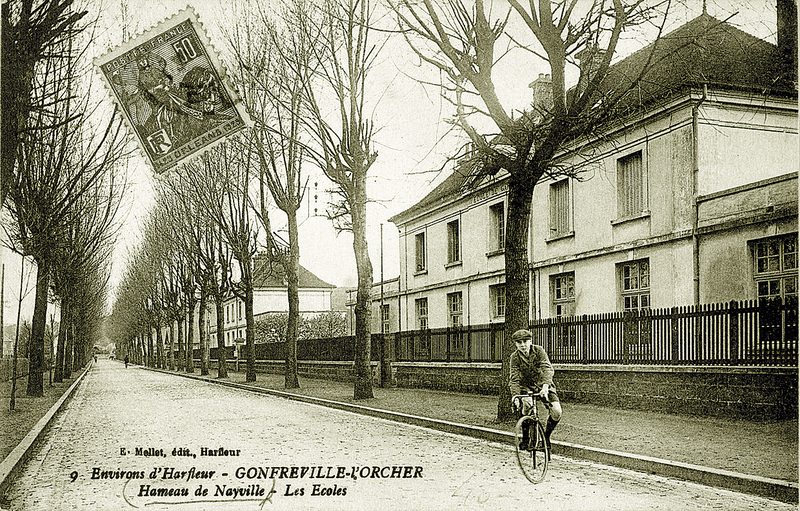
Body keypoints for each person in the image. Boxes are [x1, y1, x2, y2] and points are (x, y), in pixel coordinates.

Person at [508, 329, 562, 453]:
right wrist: (516, 396)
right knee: (527, 406)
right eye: (519, 342)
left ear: (530, 341)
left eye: (525, 341)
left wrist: (545, 386)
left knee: (557, 411)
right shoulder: (514, 357)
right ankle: (526, 438)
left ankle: (546, 437)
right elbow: (514, 378)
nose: (523, 345)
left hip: (543, 384)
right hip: (525, 387)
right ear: (516, 344)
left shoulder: (539, 351)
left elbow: (547, 368)